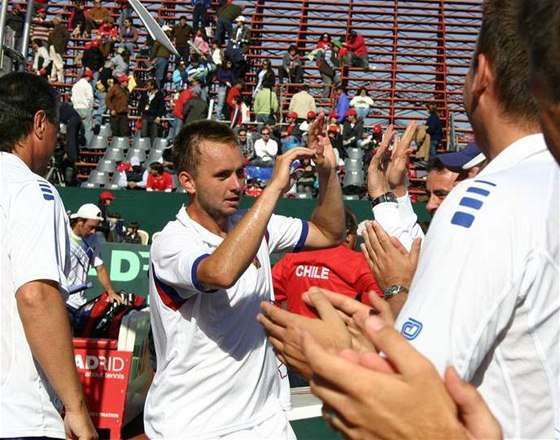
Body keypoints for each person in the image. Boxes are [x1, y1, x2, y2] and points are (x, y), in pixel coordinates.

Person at [144, 116, 344, 438]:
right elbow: (221, 272)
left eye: (240, 171)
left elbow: (330, 231)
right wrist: (275, 188)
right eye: (222, 175)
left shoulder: (254, 226)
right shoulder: (171, 242)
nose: (237, 185)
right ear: (188, 181)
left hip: (265, 422)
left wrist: (327, 172)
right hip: (195, 427)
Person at [0, 71, 97, 439]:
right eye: (58, 128)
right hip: (18, 414)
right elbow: (36, 295)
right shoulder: (30, 189)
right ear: (39, 123)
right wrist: (75, 406)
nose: (58, 141)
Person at [273, 207, 381, 318]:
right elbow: (380, 301)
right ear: (348, 236)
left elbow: (272, 297)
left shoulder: (289, 260)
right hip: (340, 333)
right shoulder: (359, 262)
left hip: (296, 332)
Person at [66, 203, 124, 323]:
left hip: (80, 303)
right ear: (80, 221)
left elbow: (100, 268)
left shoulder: (94, 240)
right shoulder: (63, 235)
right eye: (90, 227)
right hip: (62, 300)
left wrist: (111, 292)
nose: (93, 231)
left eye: (96, 228)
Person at [71, 68, 95, 145]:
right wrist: (91, 109)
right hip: (85, 108)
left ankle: (78, 145)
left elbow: (72, 98)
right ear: (88, 77)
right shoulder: (87, 85)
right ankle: (88, 145)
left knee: (77, 129)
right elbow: (90, 98)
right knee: (88, 129)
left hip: (76, 108)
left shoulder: (75, 85)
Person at [47, 16, 70, 84]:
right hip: (53, 46)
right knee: (55, 63)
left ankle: (60, 79)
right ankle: (53, 78)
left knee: (58, 63)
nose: (53, 21)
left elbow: (67, 36)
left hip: (57, 47)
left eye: (54, 20)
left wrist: (61, 44)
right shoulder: (56, 28)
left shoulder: (61, 27)